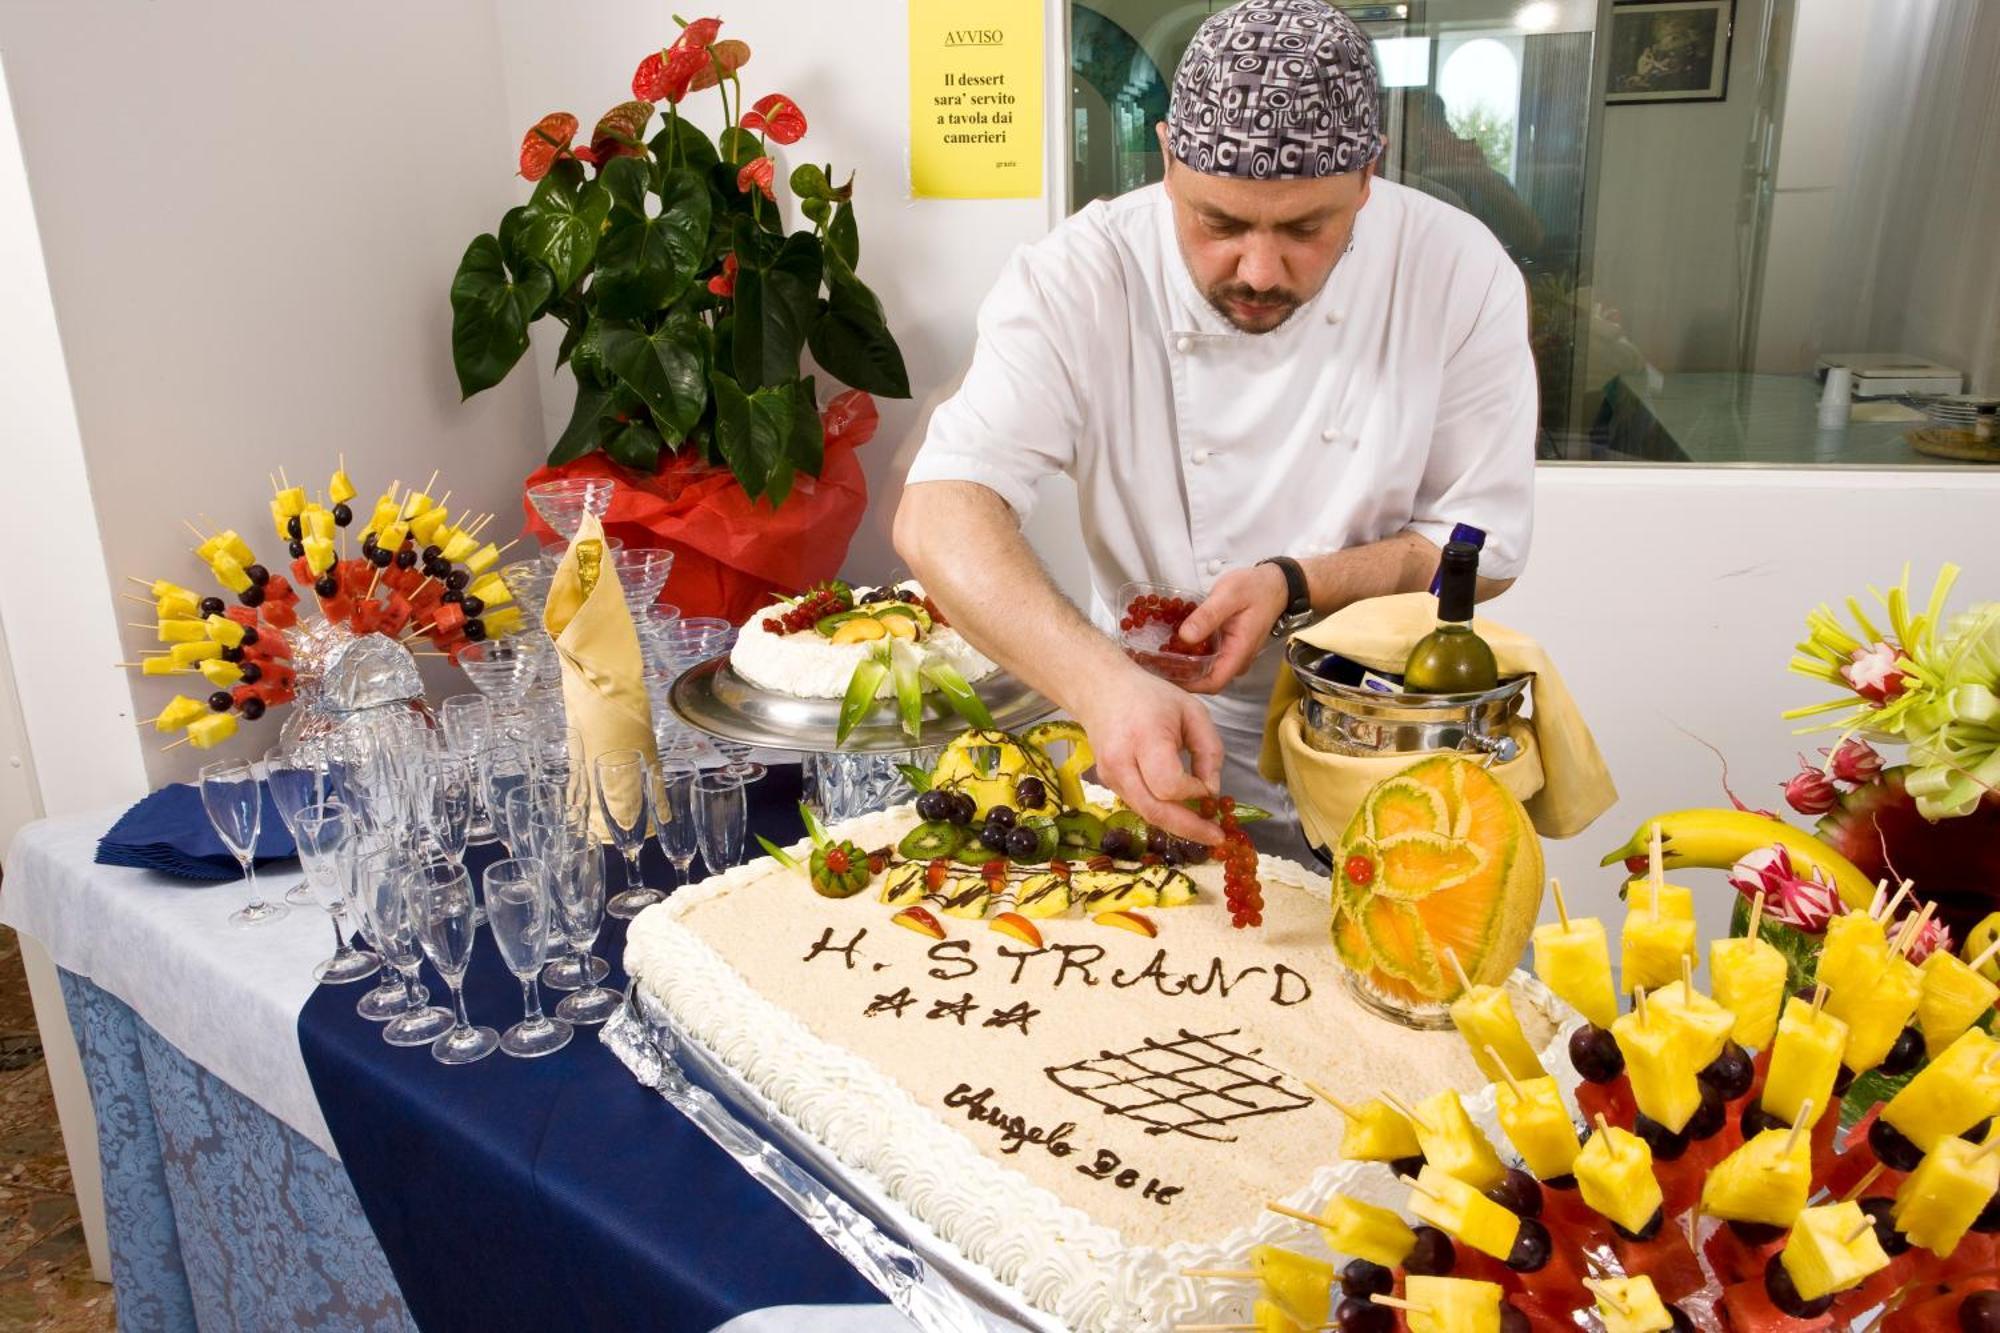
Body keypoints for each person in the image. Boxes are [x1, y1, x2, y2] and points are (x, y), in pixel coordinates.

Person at [894, 0, 1534, 853]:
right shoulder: (1082, 276)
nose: (1259, 271)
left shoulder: (1457, 270)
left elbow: (1477, 547)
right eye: (1219, 223)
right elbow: (939, 509)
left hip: (1382, 736)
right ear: (1165, 158)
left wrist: (1298, 582)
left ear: (1367, 177)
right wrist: (1103, 687)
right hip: (1146, 726)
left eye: (1307, 228)